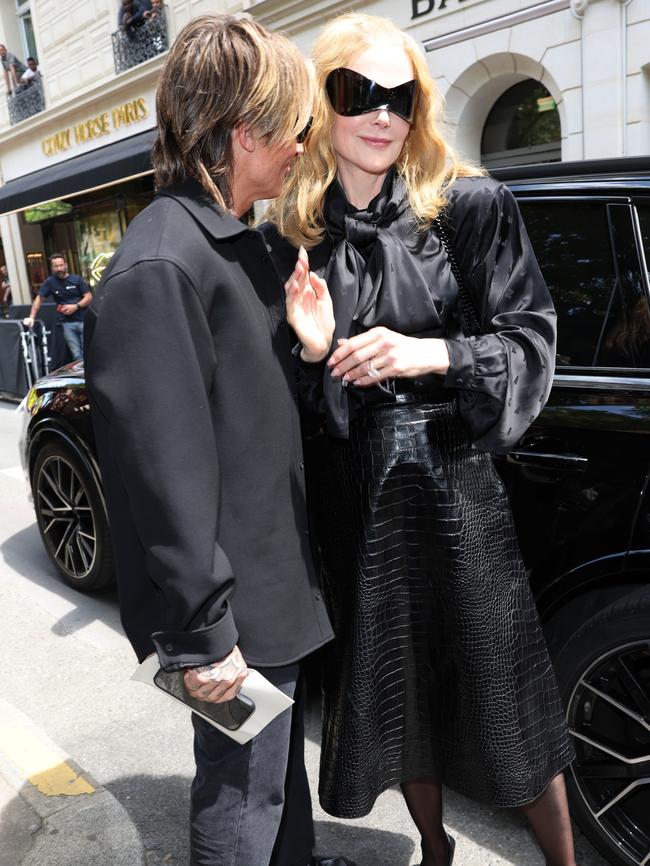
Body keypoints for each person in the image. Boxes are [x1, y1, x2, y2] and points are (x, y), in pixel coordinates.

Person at [264, 12, 577, 866]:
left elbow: (531, 341)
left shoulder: (470, 206)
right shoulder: (293, 239)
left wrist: (431, 352)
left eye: (399, 98)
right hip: (356, 505)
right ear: (323, 104)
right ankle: (435, 851)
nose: (381, 116)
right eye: (358, 93)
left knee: (507, 696)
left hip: (458, 492)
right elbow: (277, 414)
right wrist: (314, 347)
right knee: (401, 699)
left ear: (420, 108)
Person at [84, 14, 350, 866]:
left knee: (278, 787)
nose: (306, 145)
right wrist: (203, 639)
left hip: (272, 589)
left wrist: (310, 347)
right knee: (239, 802)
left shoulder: (240, 248)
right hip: (233, 612)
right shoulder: (162, 265)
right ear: (245, 132)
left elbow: (255, 419)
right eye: (297, 127)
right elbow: (162, 473)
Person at [24, 254, 91, 361]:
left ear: (66, 265)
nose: (59, 268)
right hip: (67, 324)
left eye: (61, 265)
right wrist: (31, 317)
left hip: (84, 320)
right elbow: (38, 299)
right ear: (52, 267)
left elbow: (89, 297)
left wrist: (76, 306)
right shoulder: (50, 282)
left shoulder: (77, 279)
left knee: (88, 353)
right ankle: (83, 377)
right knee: (77, 355)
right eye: (56, 266)